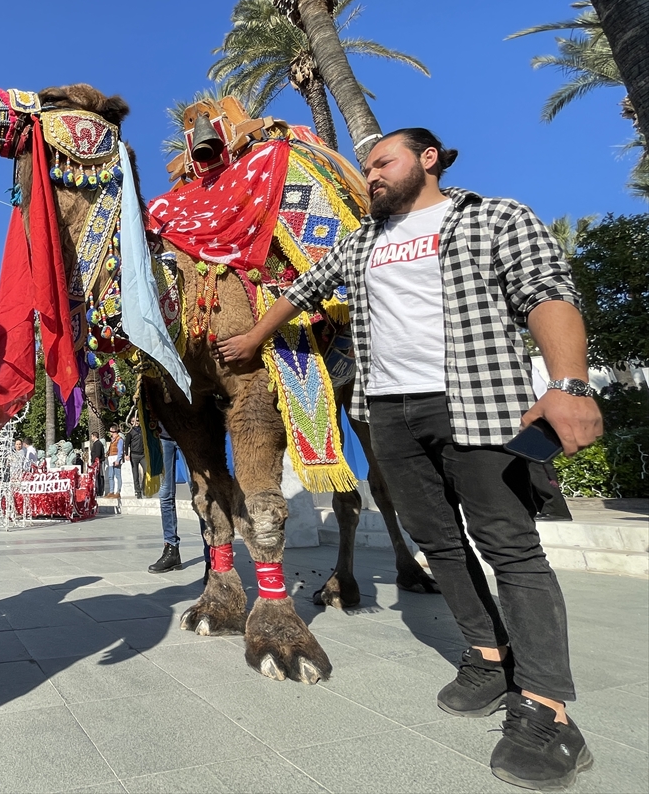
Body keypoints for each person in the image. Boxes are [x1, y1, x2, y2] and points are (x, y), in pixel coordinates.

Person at [216, 128, 602, 791]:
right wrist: (254, 334)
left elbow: (547, 293)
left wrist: (568, 385)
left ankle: (548, 709)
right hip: (389, 411)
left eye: (382, 163)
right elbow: (306, 288)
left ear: (428, 159)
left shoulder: (489, 215)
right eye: (365, 168)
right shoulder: (362, 241)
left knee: (508, 547)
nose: (370, 175)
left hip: (476, 400)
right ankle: (487, 656)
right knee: (439, 543)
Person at [147, 423, 182, 573]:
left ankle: (211, 558)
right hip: (163, 434)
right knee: (165, 494)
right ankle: (171, 550)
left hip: (190, 430)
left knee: (200, 493)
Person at [125, 416, 145, 498]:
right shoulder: (130, 432)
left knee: (147, 471)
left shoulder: (143, 430)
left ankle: (143, 488)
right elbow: (126, 443)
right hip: (134, 455)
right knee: (135, 475)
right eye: (133, 421)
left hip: (143, 455)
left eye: (137, 420)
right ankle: (138, 492)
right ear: (131, 422)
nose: (136, 422)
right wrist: (126, 454)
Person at [106, 425, 124, 496]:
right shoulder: (112, 440)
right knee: (111, 476)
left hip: (116, 458)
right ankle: (111, 491)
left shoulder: (119, 439)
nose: (110, 433)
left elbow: (120, 451)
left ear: (114, 431)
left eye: (111, 431)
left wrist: (118, 460)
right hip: (111, 459)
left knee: (117, 475)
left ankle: (118, 491)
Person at [89, 431, 106, 497]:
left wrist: (95, 460)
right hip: (96, 462)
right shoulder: (96, 443)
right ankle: (98, 491)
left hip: (98, 462)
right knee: (96, 477)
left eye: (92, 436)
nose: (91, 438)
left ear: (94, 436)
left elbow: (98, 454)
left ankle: (99, 491)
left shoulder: (98, 444)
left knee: (99, 477)